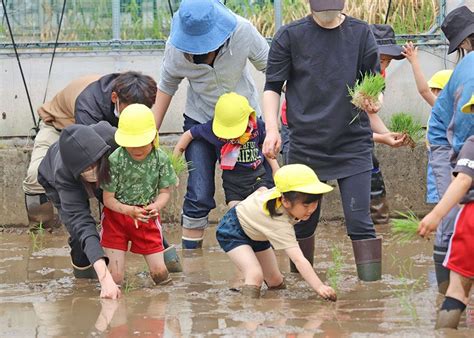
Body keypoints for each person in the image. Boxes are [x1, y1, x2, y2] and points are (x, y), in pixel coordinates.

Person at [262, 0, 384, 281]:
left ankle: (370, 294)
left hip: (352, 143)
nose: (328, 17)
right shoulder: (290, 36)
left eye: (333, 11)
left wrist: (375, 101)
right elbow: (272, 86)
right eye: (322, 11)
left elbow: (374, 82)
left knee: (360, 221)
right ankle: (303, 285)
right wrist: (272, 129)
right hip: (306, 145)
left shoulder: (360, 33)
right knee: (303, 221)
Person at [153, 0, 270, 249]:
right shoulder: (174, 50)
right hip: (201, 120)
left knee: (258, 188)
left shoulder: (242, 31)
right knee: (199, 192)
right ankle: (192, 262)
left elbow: (273, 69)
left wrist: (275, 125)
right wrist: (148, 144)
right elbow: (165, 90)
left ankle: (263, 249)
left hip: (244, 123)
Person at [23, 71, 157, 229]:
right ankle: (42, 230)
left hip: (105, 133)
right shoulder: (89, 105)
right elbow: (92, 156)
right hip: (59, 127)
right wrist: (125, 208)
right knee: (35, 176)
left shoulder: (134, 92)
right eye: (129, 112)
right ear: (115, 98)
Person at [216, 164, 336, 300]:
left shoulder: (284, 193)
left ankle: (275, 309)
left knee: (275, 280)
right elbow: (298, 259)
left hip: (258, 233)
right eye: (306, 205)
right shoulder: (279, 223)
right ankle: (248, 313)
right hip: (233, 230)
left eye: (315, 203)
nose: (311, 210)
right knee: (255, 274)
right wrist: (319, 287)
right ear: (285, 201)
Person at [38, 121, 121, 299]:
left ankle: (164, 253)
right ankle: (83, 281)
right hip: (55, 179)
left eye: (93, 165)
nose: (91, 171)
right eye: (86, 169)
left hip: (106, 170)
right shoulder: (63, 173)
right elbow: (82, 223)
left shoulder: (111, 138)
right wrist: (105, 280)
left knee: (127, 207)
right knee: (78, 233)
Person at [423, 5, 474, 294]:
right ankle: (444, 291)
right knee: (452, 210)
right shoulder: (470, 76)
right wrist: (463, 169)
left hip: (465, 136)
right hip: (449, 141)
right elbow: (463, 137)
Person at [173, 92, 279, 227]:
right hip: (233, 186)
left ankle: (260, 244)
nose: (232, 137)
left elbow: (266, 146)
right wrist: (174, 165)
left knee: (261, 205)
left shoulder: (256, 126)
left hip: (258, 179)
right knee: (238, 215)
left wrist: (276, 169)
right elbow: (188, 134)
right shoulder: (211, 129)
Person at [101, 104, 178, 286]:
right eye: (130, 144)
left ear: (153, 137)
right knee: (115, 278)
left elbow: (164, 192)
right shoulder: (115, 160)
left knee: (160, 274)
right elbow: (108, 199)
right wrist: (128, 210)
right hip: (116, 219)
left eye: (141, 143)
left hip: (146, 217)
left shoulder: (160, 159)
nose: (136, 149)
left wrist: (157, 206)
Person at [418, 132, 474, 329]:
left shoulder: (472, 143)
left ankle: (445, 333)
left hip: (471, 219)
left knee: (457, 291)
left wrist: (436, 215)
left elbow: (463, 181)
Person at [368, 24, 408, 225]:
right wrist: (383, 138)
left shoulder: (378, 73)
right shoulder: (347, 72)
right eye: (380, 59)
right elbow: (345, 127)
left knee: (371, 165)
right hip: (311, 129)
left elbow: (369, 115)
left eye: (388, 61)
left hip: (353, 130)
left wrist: (389, 134)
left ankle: (379, 222)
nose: (383, 67)